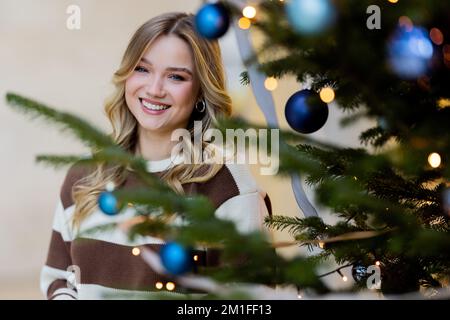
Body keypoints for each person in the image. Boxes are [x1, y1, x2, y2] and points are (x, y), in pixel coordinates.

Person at [40, 12, 272, 300]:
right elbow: (59, 280)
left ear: (201, 91)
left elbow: (248, 300)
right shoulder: (86, 174)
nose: (154, 89)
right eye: (142, 69)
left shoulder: (229, 186)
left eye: (176, 76)